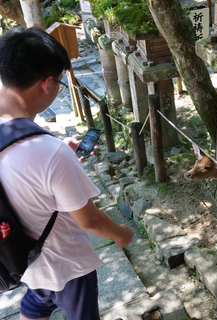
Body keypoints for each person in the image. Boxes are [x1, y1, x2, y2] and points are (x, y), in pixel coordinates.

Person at [0, 27, 133, 320]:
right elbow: (90, 220)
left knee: (35, 305)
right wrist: (121, 234)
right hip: (66, 263)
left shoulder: (39, 146)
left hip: (21, 257)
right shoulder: (51, 153)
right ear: (47, 83)